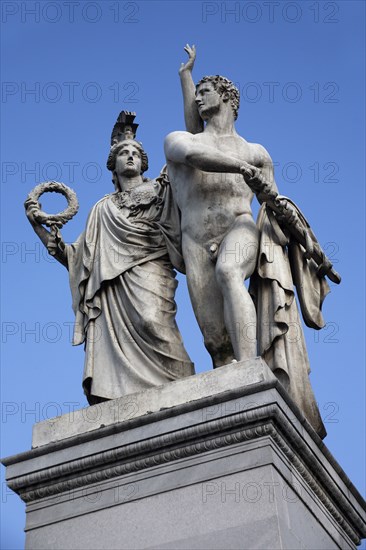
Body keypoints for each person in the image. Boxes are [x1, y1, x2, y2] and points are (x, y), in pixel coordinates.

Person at [164, 45, 328, 437]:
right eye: (196, 91)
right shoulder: (177, 141)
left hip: (240, 228)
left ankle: (250, 369)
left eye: (206, 89)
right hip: (194, 240)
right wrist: (185, 76)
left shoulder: (257, 152)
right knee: (215, 341)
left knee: (229, 273)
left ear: (227, 98)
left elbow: (274, 203)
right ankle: (231, 412)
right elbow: (195, 156)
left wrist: (307, 242)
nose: (200, 96)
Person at [25, 136, 194, 404]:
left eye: (135, 153)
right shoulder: (102, 209)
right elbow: (75, 258)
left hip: (152, 267)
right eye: (123, 153)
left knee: (153, 321)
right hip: (112, 290)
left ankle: (182, 387)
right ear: (112, 166)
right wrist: (37, 225)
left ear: (143, 163)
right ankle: (119, 394)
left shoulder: (163, 191)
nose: (130, 156)